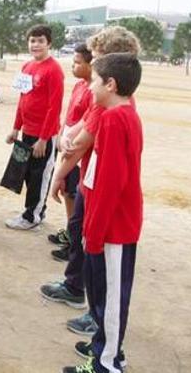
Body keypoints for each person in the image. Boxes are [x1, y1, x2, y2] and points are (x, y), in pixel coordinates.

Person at [45, 27, 141, 342]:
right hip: (90, 182)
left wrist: (60, 169)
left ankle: (102, 334)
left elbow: (85, 143)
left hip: (99, 195)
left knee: (99, 260)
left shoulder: (114, 113)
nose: (93, 64)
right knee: (80, 234)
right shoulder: (111, 104)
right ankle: (87, 304)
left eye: (99, 58)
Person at [62, 53, 143, 373]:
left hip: (114, 229)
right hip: (107, 225)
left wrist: (93, 234)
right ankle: (104, 346)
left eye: (95, 81)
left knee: (109, 300)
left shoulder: (113, 120)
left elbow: (110, 184)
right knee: (100, 293)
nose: (90, 88)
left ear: (111, 84)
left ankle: (107, 363)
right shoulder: (119, 115)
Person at [4, 24, 64, 230]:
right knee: (27, 174)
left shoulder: (54, 70)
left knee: (40, 176)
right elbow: (23, 99)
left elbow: (53, 107)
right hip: (27, 132)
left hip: (43, 136)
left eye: (40, 41)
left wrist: (44, 139)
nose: (35, 44)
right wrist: (16, 127)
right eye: (32, 40)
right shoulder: (26, 67)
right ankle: (36, 209)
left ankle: (32, 217)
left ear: (49, 44)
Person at [48, 43, 94, 262]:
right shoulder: (79, 86)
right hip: (67, 145)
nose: (73, 67)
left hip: (77, 152)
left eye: (77, 63)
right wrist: (60, 132)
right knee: (67, 192)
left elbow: (87, 123)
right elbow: (70, 115)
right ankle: (70, 231)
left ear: (91, 65)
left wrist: (70, 141)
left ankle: (75, 241)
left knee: (73, 195)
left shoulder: (95, 91)